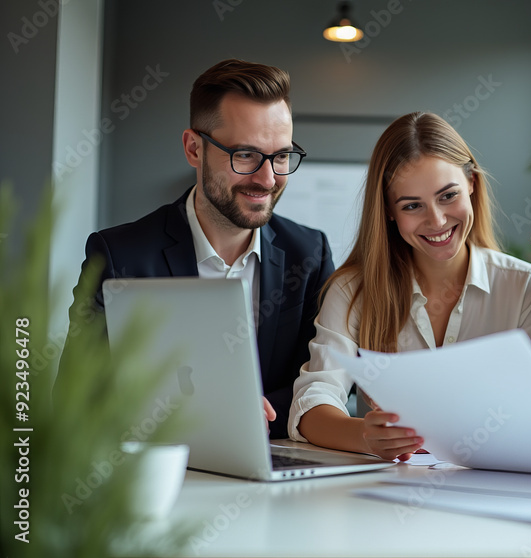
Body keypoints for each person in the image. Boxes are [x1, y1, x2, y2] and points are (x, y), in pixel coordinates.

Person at [59, 59, 335, 439]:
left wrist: (263, 412)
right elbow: (76, 397)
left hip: (279, 476)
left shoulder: (310, 253)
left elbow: (323, 381)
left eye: (282, 156)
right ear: (193, 149)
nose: (268, 178)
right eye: (246, 155)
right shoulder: (119, 255)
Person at [289, 111, 531, 461]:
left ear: (471, 182)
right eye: (413, 205)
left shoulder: (523, 286)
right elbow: (312, 402)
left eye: (447, 196)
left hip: (493, 485)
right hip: (389, 494)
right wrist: (365, 436)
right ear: (389, 212)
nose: (437, 220)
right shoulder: (352, 290)